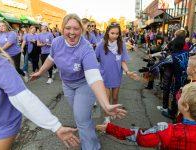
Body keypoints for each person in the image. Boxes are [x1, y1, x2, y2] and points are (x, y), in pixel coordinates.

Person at [30, 14, 127, 150]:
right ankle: (90, 132)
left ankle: (92, 147)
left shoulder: (85, 47)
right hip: (67, 85)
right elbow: (51, 58)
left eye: (76, 29)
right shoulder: (57, 42)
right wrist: (40, 72)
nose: (71, 32)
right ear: (62, 29)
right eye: (68, 28)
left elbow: (93, 75)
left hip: (84, 84)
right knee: (80, 116)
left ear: (81, 30)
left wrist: (105, 104)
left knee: (81, 119)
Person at [0, 13, 79, 150]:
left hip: (0, 127)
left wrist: (55, 125)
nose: (71, 32)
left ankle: (49, 75)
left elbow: (24, 98)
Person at [96, 82, 196, 149]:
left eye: (182, 94)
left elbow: (138, 136)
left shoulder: (167, 131)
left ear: (185, 106)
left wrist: (110, 128)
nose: (178, 94)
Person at [95, 22, 138, 123]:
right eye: (112, 33)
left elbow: (122, 61)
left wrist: (127, 72)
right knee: (107, 98)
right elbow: (93, 59)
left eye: (117, 33)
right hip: (104, 76)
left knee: (115, 97)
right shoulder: (101, 45)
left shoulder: (121, 44)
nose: (114, 36)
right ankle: (106, 117)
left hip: (117, 75)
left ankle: (114, 110)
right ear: (107, 33)